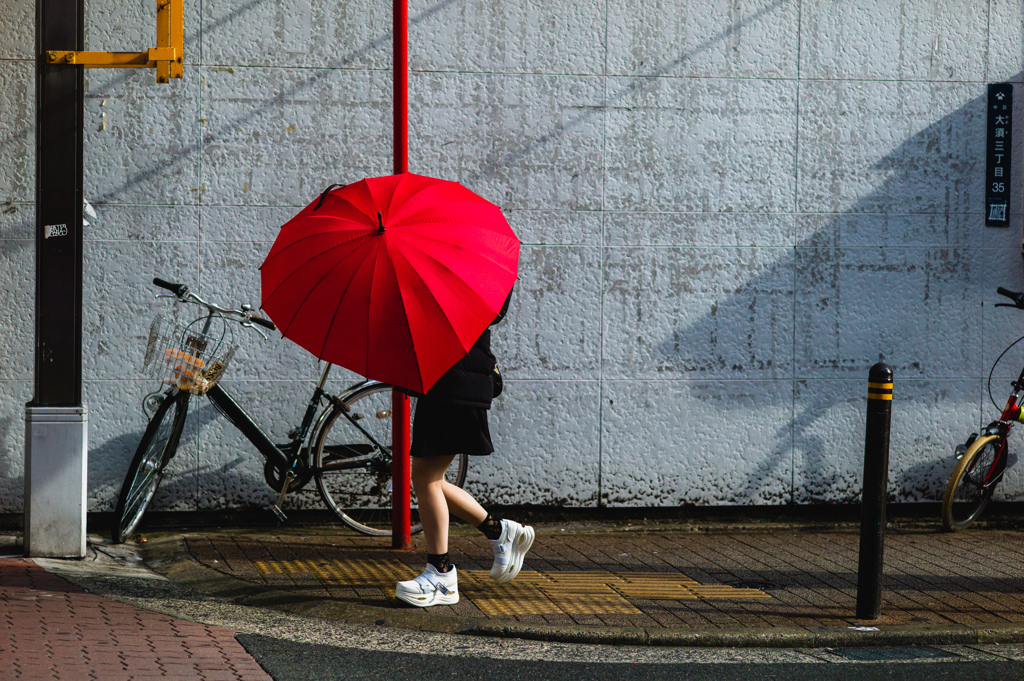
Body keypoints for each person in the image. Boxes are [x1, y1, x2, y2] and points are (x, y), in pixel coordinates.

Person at [395, 289, 533, 607]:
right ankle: (499, 531)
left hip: (453, 378)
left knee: (427, 479)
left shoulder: (456, 273)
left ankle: (442, 576)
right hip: (448, 380)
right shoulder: (460, 266)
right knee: (432, 479)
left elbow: (490, 311)